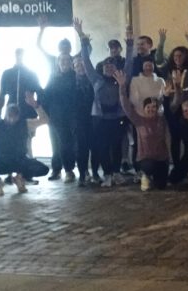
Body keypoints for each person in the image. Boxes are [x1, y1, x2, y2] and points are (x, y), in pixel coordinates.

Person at [81, 25, 130, 187]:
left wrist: (130, 45)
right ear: (102, 69)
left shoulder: (121, 78)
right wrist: (83, 41)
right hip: (100, 120)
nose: (109, 68)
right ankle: (107, 174)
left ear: (116, 69)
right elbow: (86, 61)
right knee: (102, 147)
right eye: (106, 67)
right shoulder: (96, 79)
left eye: (112, 66)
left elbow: (129, 64)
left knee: (116, 147)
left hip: (117, 118)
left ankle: (116, 173)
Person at [0, 95, 49, 196]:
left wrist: (36, 106)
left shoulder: (25, 124)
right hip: (1, 161)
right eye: (10, 116)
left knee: (44, 169)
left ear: (18, 116)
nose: (12, 119)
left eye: (15, 116)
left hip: (20, 160)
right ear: (6, 115)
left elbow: (45, 120)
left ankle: (20, 178)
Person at [114, 70, 170, 191]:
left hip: (161, 158)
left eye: (154, 107)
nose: (151, 109)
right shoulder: (138, 120)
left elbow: (173, 105)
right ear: (144, 109)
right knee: (148, 166)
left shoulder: (162, 119)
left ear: (157, 108)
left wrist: (169, 93)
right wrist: (122, 86)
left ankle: (156, 177)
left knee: (161, 186)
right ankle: (145, 175)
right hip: (146, 159)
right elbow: (125, 105)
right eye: (148, 107)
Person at [41, 53, 78, 182]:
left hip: (70, 116)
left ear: (71, 62)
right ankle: (56, 169)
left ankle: (69, 170)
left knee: (66, 144)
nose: (64, 62)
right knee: (55, 144)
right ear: (58, 62)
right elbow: (46, 95)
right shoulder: (53, 77)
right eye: (62, 60)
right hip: (54, 116)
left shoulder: (75, 76)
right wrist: (44, 114)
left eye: (67, 60)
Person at [0, 48, 41, 121]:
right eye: (17, 54)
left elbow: (40, 94)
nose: (19, 56)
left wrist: (38, 108)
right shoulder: (7, 73)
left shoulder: (32, 74)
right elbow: (2, 94)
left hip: (29, 113)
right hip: (11, 113)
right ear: (15, 56)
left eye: (21, 55)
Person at [71, 56, 95, 187]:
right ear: (74, 68)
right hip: (77, 119)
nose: (80, 67)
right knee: (81, 148)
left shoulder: (93, 79)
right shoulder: (70, 82)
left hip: (93, 117)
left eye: (82, 64)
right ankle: (82, 173)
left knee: (95, 146)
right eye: (77, 65)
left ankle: (95, 173)